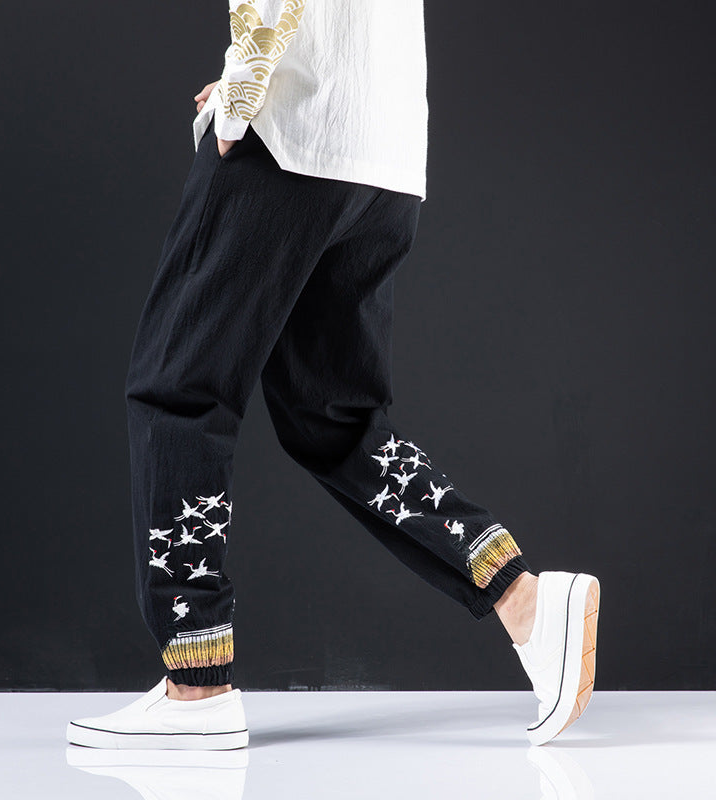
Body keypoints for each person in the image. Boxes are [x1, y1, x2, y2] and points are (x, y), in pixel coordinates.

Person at [67, 0, 600, 750]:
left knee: (178, 392)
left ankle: (196, 685)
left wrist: (242, 91)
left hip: (289, 137)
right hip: (382, 151)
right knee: (336, 421)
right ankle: (525, 601)